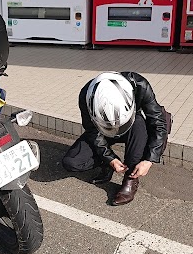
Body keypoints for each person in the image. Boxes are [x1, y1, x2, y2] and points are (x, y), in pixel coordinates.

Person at [62, 71, 167, 206]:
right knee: (72, 162)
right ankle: (106, 165)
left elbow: (158, 122)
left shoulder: (140, 85)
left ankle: (131, 178)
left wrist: (149, 160)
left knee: (139, 124)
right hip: (101, 131)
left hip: (133, 125)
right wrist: (110, 159)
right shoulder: (86, 95)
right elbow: (92, 131)